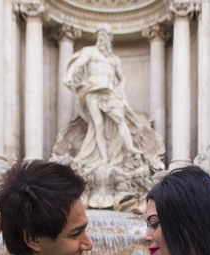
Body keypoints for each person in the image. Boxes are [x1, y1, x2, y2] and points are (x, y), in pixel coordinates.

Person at [61, 24, 148, 169]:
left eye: (105, 36)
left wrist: (120, 88)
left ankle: (130, 147)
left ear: (110, 39)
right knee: (98, 124)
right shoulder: (90, 52)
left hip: (109, 91)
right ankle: (104, 159)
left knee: (120, 118)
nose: (102, 39)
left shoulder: (114, 59)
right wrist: (69, 75)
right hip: (92, 89)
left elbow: (122, 78)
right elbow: (77, 64)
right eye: (100, 35)